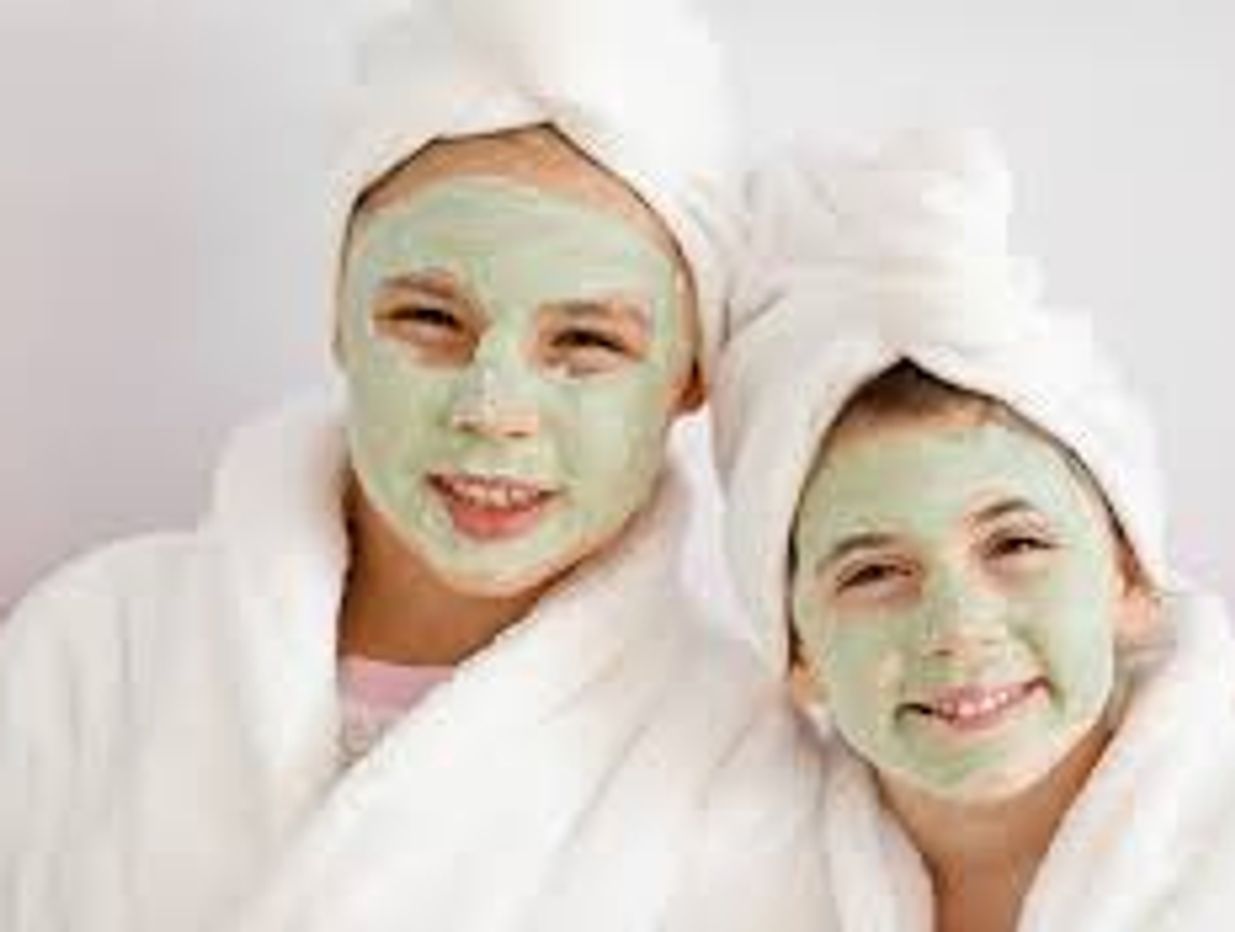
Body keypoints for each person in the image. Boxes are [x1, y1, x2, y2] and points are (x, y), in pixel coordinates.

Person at [0, 1, 825, 929]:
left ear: (689, 376)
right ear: (338, 314)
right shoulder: (94, 647)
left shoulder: (740, 770)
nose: (492, 411)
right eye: (429, 319)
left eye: (586, 343)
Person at [713, 129, 1235, 931]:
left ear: (1128, 576)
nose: (957, 628)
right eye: (872, 572)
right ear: (797, 651)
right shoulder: (720, 880)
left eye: (1015, 545)